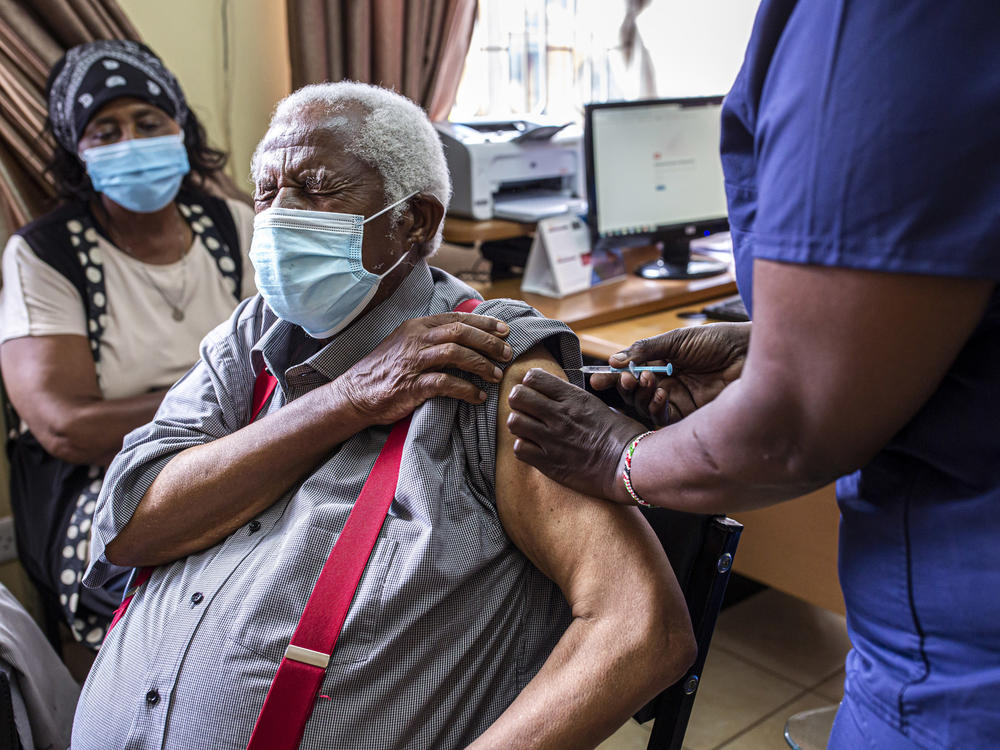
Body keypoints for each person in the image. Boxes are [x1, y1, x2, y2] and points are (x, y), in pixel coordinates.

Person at [70, 81, 695, 750]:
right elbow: (130, 529)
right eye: (268, 192)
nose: (281, 216)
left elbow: (643, 632)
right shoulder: (250, 336)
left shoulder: (487, 361)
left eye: (316, 188)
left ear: (415, 222)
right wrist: (349, 398)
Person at [506, 2, 1000, 748]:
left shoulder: (872, 21)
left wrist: (617, 457)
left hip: (962, 662)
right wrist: (771, 346)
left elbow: (791, 428)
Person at [0, 39, 257, 649]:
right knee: (198, 600)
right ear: (77, 154)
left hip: (242, 449)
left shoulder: (233, 224)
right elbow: (66, 427)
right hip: (101, 479)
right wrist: (225, 400)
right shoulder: (45, 254)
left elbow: (292, 354)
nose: (132, 144)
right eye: (104, 131)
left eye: (148, 122)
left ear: (180, 130)